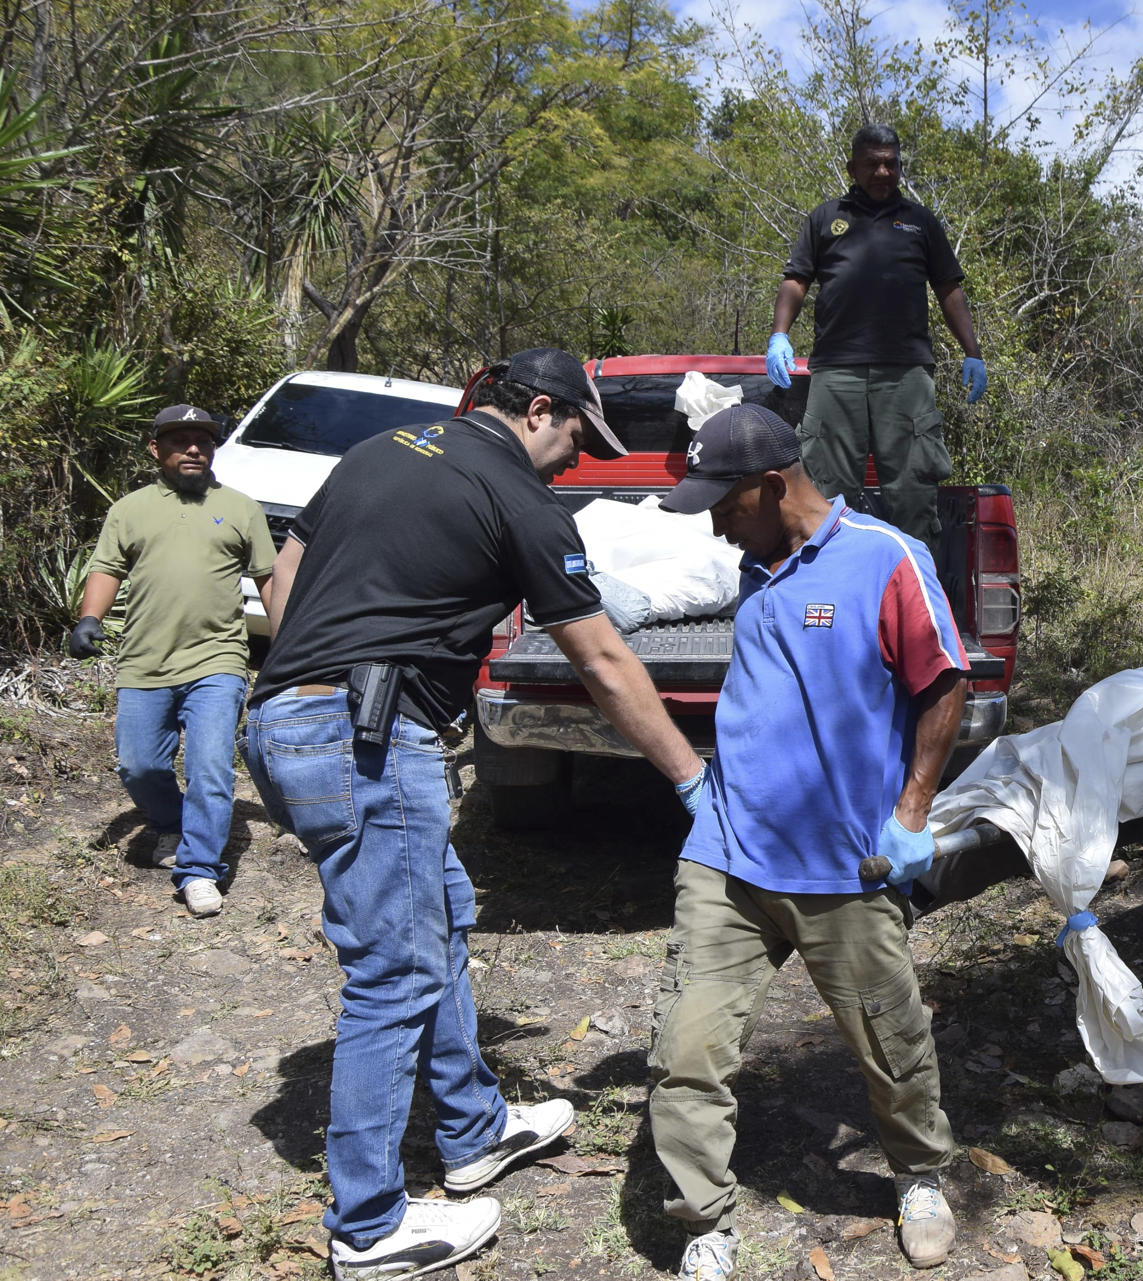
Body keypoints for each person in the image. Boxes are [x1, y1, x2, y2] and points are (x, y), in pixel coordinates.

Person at [242, 348, 710, 1280]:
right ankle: (368, 1227)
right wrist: (692, 779)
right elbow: (604, 661)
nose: (575, 463)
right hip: (368, 737)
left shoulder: (378, 452)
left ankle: (473, 1129)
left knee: (442, 914)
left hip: (289, 717)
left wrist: (309, 680)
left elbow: (284, 575)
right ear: (539, 410)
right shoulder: (518, 498)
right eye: (577, 438)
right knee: (395, 973)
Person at [650, 403, 969, 1280]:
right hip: (729, 854)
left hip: (845, 862)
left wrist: (911, 813)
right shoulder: (753, 567)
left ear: (770, 484)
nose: (713, 520)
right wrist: (696, 787)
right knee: (686, 1049)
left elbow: (944, 684)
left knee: (890, 1039)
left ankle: (919, 1175)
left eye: (722, 500)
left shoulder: (884, 558)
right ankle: (704, 1218)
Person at [69, 404, 276, 918]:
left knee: (210, 768)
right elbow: (106, 567)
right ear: (155, 449)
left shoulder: (241, 507)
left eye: (203, 441)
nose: (193, 449)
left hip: (217, 658)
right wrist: (89, 617)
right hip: (144, 660)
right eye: (180, 440)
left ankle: (200, 869)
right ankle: (171, 823)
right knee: (139, 765)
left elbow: (269, 577)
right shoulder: (130, 509)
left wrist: (290, 638)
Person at [764, 123, 986, 551]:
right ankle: (829, 601)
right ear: (853, 167)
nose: (883, 172)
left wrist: (972, 352)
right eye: (873, 164)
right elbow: (796, 281)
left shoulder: (920, 223)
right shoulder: (826, 219)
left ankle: (914, 600)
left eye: (891, 164)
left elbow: (949, 289)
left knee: (913, 493)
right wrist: (779, 335)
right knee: (825, 493)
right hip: (836, 371)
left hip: (904, 374)